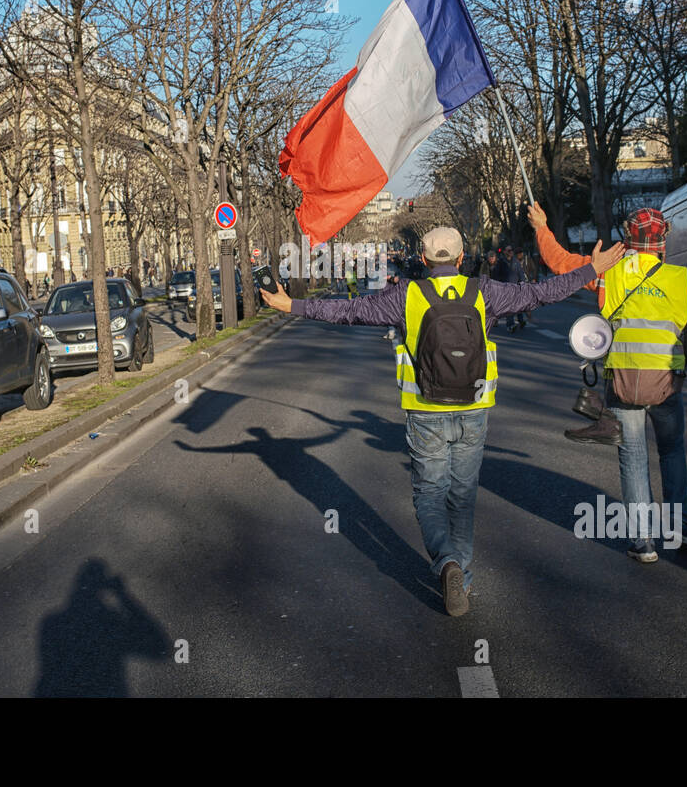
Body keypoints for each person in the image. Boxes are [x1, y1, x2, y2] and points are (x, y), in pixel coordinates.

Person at [261, 225, 624, 615]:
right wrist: (592, 269)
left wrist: (292, 306)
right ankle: (461, 577)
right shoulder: (485, 291)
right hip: (474, 409)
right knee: (463, 495)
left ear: (423, 260)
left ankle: (446, 561)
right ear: (462, 257)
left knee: (429, 494)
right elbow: (541, 293)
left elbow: (348, 311)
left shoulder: (406, 295)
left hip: (425, 411)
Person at [529, 202, 687, 563]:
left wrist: (541, 226)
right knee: (671, 453)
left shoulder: (608, 272)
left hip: (623, 385)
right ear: (663, 243)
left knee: (633, 456)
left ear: (629, 239)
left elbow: (560, 264)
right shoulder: (678, 280)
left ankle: (642, 542)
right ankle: (680, 531)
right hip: (667, 386)